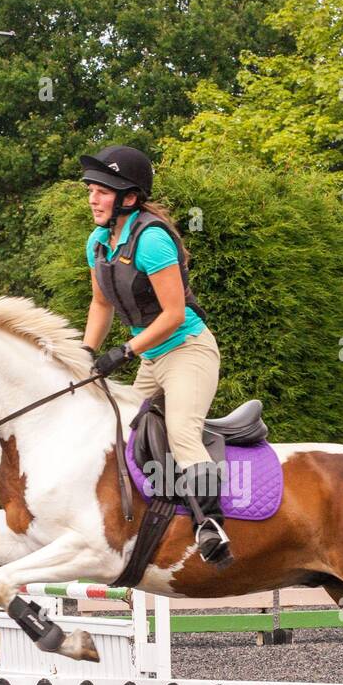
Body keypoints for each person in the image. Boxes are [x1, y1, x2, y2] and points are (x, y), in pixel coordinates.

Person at [80, 145, 233, 567]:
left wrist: (125, 350)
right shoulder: (99, 243)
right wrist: (87, 354)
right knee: (126, 435)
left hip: (187, 351)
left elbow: (174, 314)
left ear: (128, 198)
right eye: (91, 189)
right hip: (151, 359)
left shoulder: (152, 241)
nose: (93, 198)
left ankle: (211, 525)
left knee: (182, 431)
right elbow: (101, 305)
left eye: (102, 191)